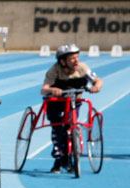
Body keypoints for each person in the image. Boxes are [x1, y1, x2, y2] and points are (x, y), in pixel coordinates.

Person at [41, 44, 103, 174]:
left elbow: (98, 80)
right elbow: (44, 89)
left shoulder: (82, 68)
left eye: (77, 57)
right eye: (72, 58)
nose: (76, 61)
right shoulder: (54, 70)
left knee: (70, 126)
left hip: (74, 101)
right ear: (63, 61)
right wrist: (52, 89)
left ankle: (71, 157)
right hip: (56, 103)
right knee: (58, 129)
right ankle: (58, 160)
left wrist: (96, 86)